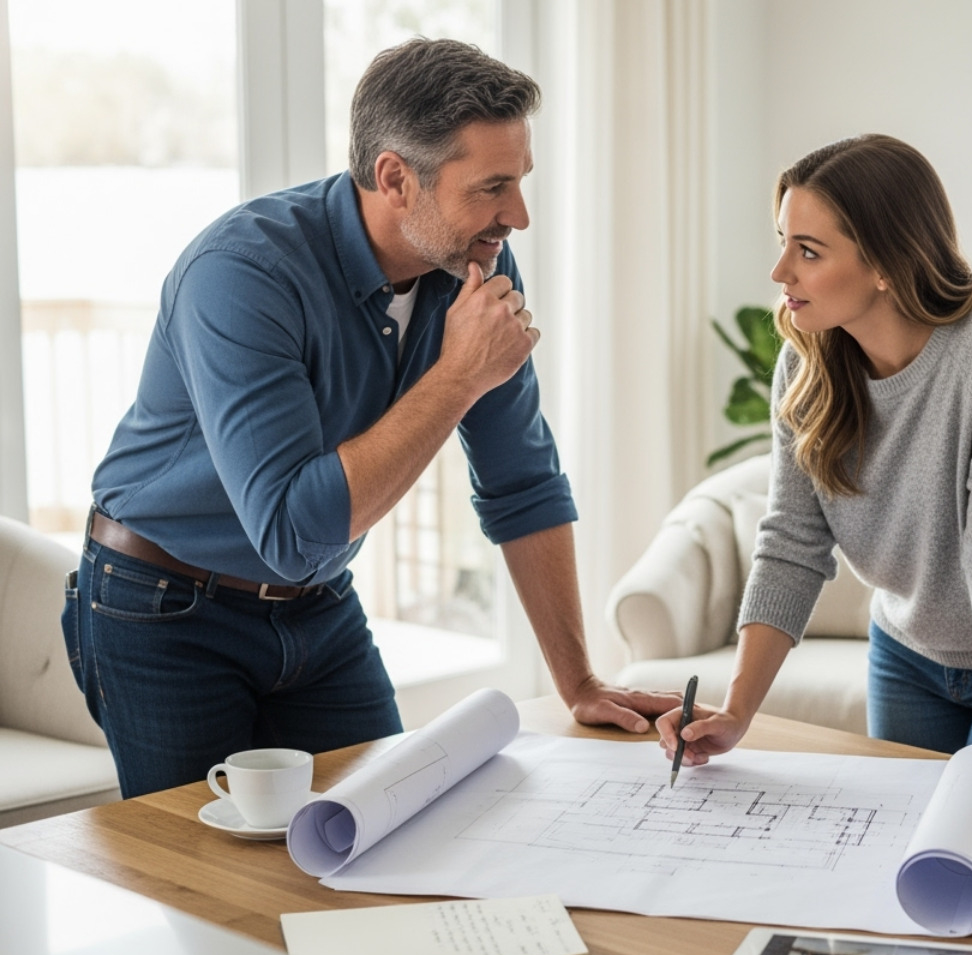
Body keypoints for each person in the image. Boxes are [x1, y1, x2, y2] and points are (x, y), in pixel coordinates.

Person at [65, 39, 676, 800]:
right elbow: (290, 531)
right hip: (162, 608)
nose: (516, 215)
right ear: (395, 178)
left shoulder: (476, 264)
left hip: (318, 606)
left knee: (392, 824)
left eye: (519, 183)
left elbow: (522, 481)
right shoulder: (242, 273)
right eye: (493, 187)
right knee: (210, 886)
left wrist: (579, 681)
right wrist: (457, 376)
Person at [659, 135, 972, 806]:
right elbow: (792, 544)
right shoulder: (805, 363)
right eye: (783, 241)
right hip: (909, 655)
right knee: (898, 841)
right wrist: (735, 714)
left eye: (808, 251)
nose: (780, 272)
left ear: (884, 262)